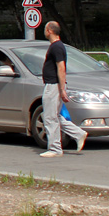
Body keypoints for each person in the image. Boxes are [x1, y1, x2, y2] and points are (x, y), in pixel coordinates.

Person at [40, 21, 87, 157]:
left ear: (49, 31)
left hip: (53, 85)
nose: (44, 31)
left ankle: (55, 149)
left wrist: (62, 89)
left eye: (45, 29)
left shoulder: (56, 47)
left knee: (49, 117)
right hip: (54, 85)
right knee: (55, 116)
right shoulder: (57, 46)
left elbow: (61, 68)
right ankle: (78, 134)